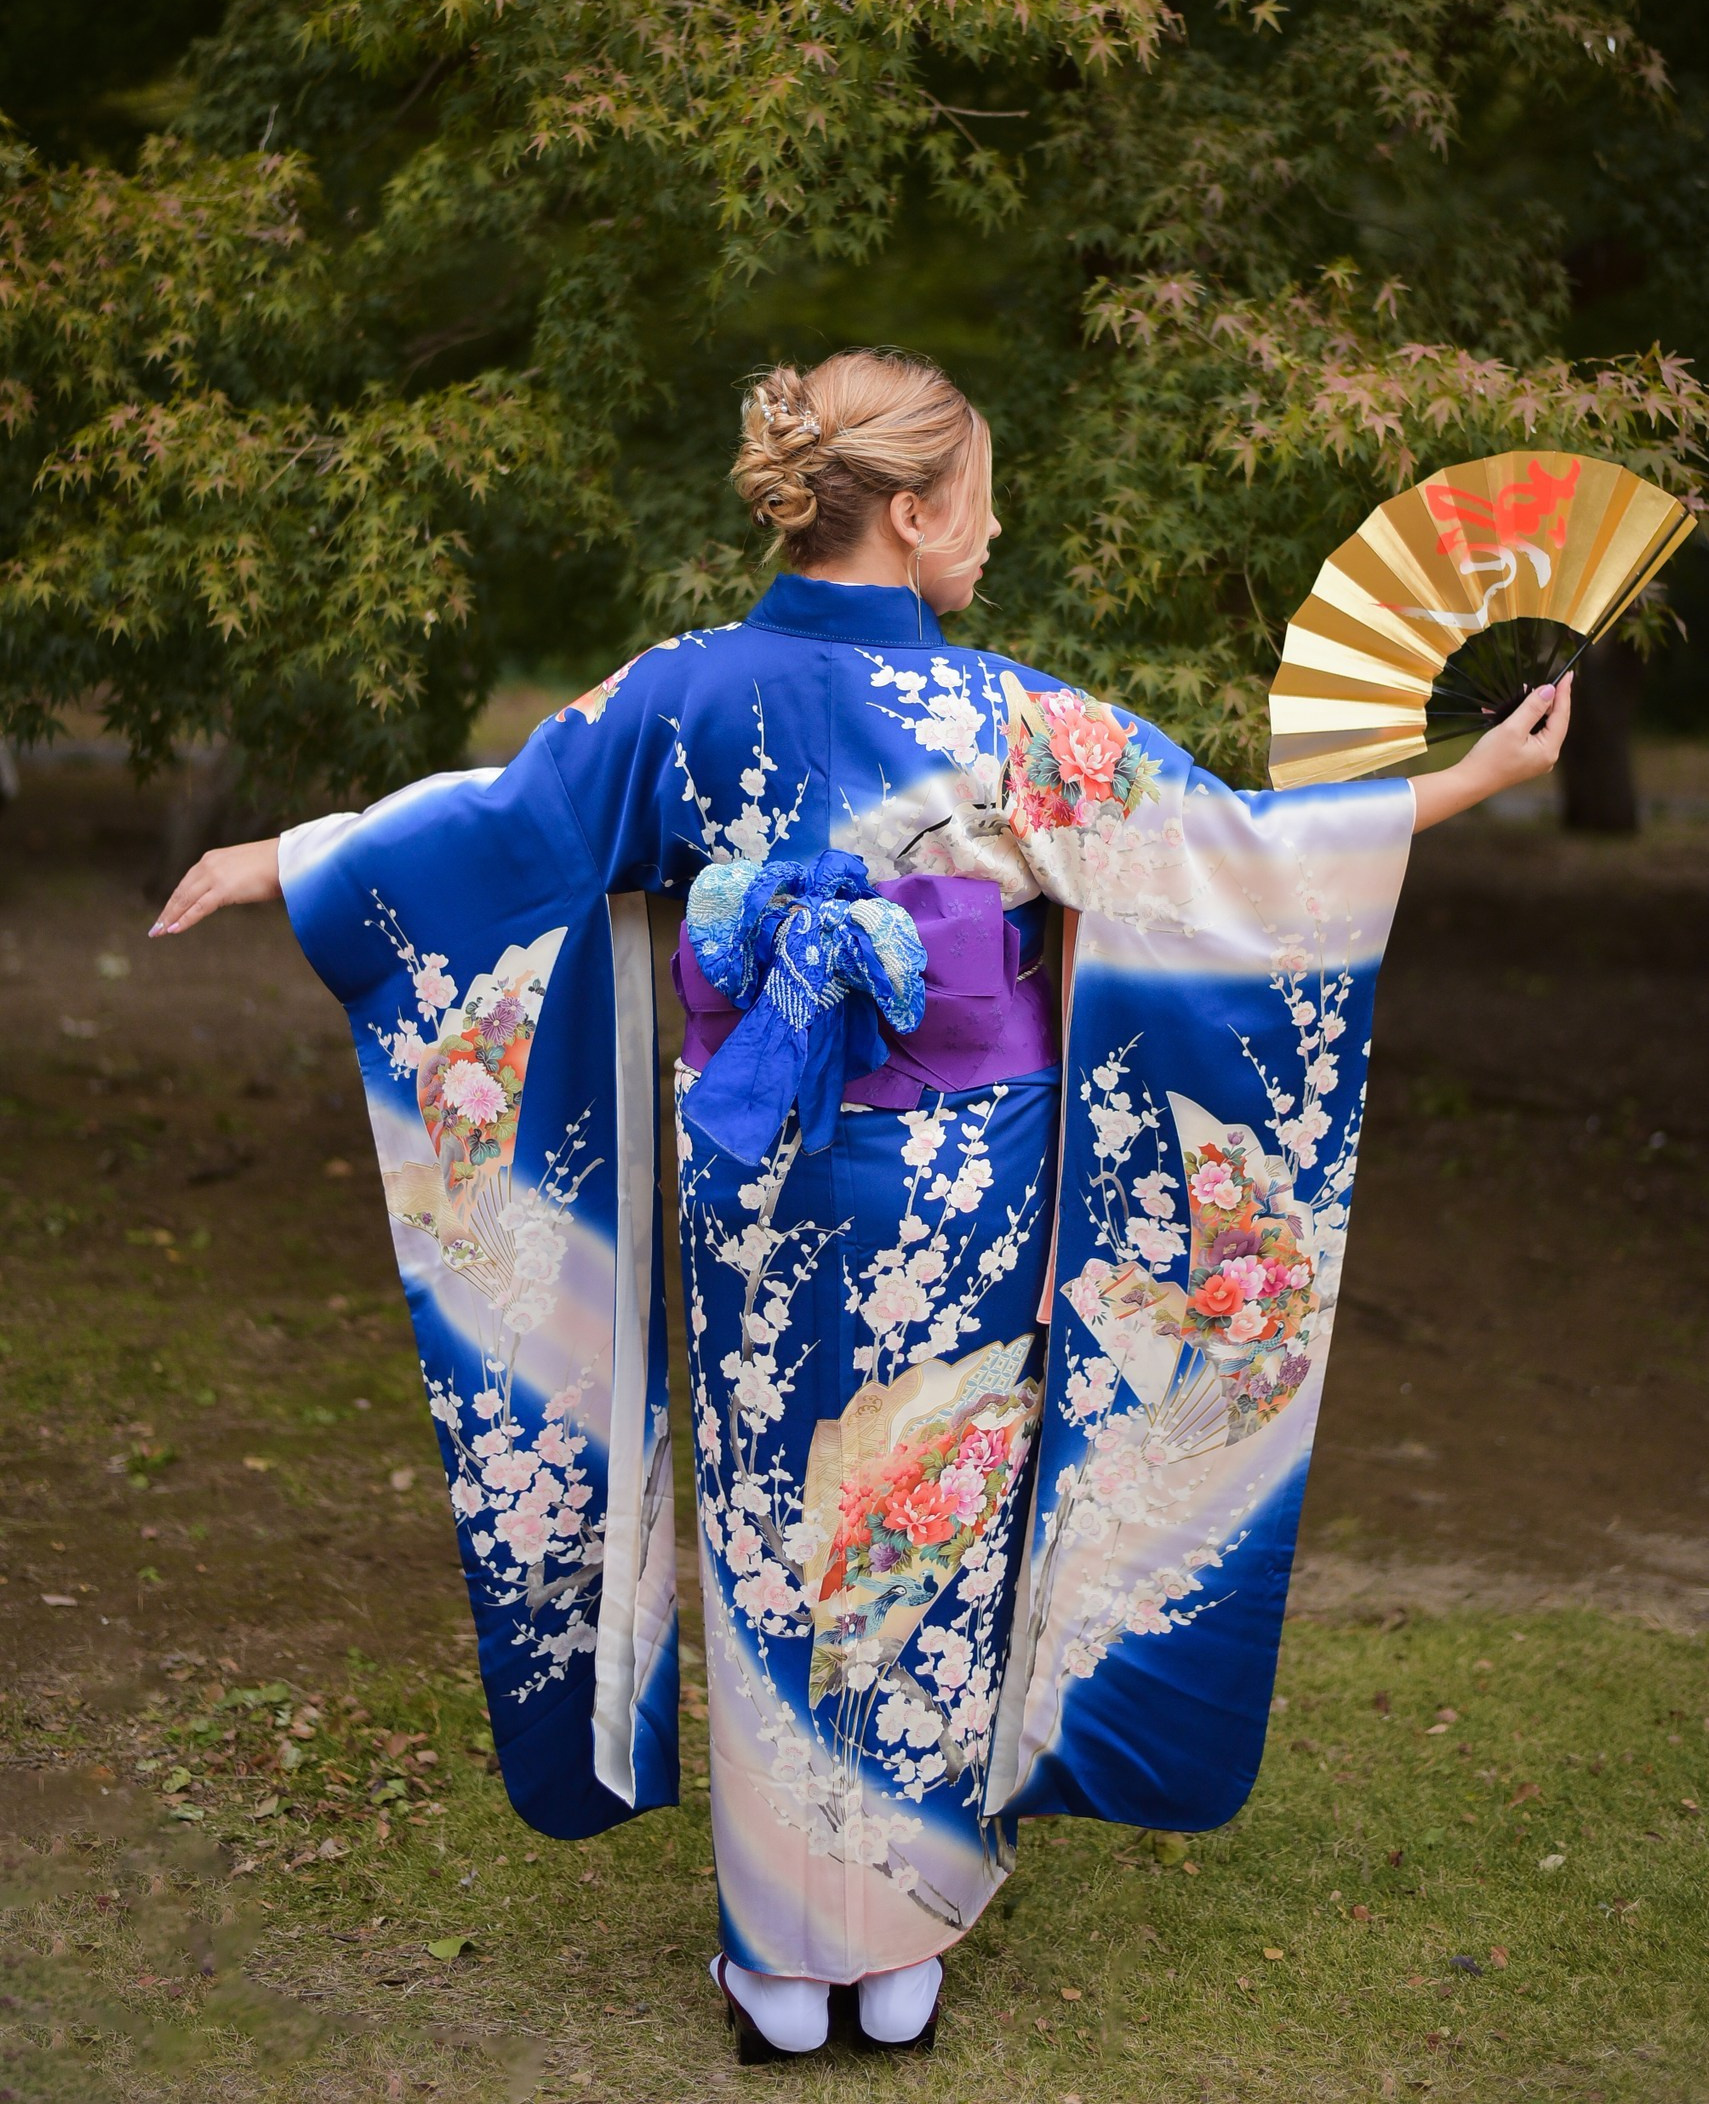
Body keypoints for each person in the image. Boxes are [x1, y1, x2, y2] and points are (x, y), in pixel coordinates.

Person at [153, 351, 1569, 2062]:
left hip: (763, 1175)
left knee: (780, 1527)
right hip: (967, 1180)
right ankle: (892, 1954)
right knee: (934, 1509)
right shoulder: (1011, 720)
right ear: (906, 515)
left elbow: (500, 832)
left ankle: (779, 1966)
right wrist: (1466, 782)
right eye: (974, 502)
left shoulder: (674, 695)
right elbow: (1232, 859)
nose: (990, 533)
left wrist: (290, 859)